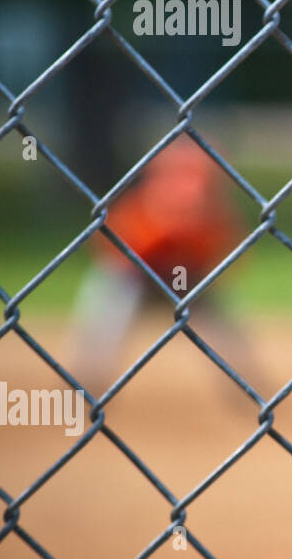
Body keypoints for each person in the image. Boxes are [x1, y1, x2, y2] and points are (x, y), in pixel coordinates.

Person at [69, 136, 248, 400]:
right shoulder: (138, 210)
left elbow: (228, 260)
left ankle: (242, 385)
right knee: (107, 300)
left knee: (221, 319)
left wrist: (186, 255)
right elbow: (110, 253)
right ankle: (86, 382)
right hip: (136, 279)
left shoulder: (215, 218)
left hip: (187, 280)